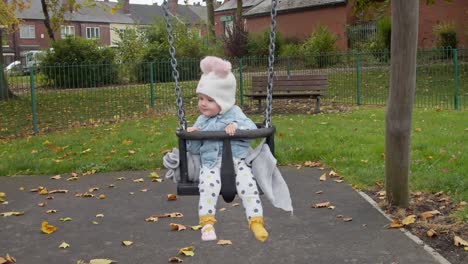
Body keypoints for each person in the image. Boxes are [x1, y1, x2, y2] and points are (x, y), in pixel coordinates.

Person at [186, 56, 268, 242]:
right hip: (211, 164)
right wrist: (193, 134)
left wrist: (236, 128)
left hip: (238, 161)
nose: (202, 103)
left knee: (248, 185)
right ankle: (207, 224)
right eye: (200, 98)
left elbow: (252, 130)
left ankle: (256, 222)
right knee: (207, 185)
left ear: (223, 101)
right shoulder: (201, 121)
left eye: (209, 99)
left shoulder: (236, 113)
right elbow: (194, 149)